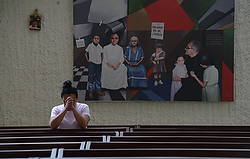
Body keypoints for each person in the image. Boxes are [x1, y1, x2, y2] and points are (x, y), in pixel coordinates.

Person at [85, 34, 105, 99]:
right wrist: (87, 60)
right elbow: (86, 52)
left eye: (98, 38)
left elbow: (102, 54)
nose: (96, 40)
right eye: (95, 38)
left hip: (98, 63)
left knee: (98, 76)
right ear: (92, 39)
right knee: (91, 76)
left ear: (99, 40)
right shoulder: (90, 46)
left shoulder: (100, 47)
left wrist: (101, 60)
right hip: (92, 63)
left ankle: (98, 90)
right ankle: (90, 91)